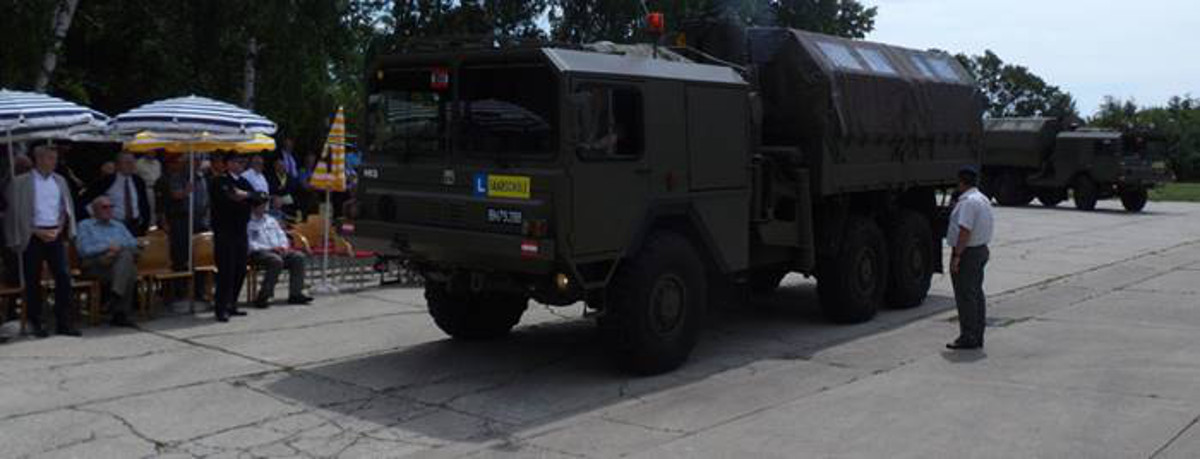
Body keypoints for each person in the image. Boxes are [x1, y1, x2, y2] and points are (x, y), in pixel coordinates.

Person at [3, 145, 80, 337]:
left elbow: (65, 208)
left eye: (55, 158)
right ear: (38, 160)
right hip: (32, 235)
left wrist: (60, 228)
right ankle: (36, 323)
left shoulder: (60, 180)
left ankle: (64, 322)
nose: (53, 162)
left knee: (63, 276)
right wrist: (35, 231)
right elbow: (15, 214)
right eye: (49, 158)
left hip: (54, 233)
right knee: (32, 279)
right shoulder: (20, 182)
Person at [946, 165, 994, 350]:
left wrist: (957, 256)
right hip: (980, 249)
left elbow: (965, 230)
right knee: (975, 294)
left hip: (968, 252)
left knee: (965, 295)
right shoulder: (982, 199)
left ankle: (968, 336)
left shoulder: (967, 202)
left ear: (961, 182)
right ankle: (977, 334)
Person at [211, 154, 263, 322]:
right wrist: (246, 196)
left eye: (242, 162)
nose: (241, 165)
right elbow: (230, 197)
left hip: (241, 231)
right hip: (225, 231)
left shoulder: (243, 182)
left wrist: (245, 195)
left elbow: (260, 197)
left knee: (240, 269)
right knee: (226, 270)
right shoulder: (220, 181)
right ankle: (221, 308)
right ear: (228, 164)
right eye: (237, 162)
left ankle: (232, 304)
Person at [76, 197, 139, 327]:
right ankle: (119, 313)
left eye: (111, 206)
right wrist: (107, 248)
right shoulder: (84, 225)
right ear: (94, 210)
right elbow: (84, 250)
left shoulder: (119, 225)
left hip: (116, 264)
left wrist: (117, 249)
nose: (109, 210)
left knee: (128, 263)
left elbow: (133, 242)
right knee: (129, 268)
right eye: (105, 207)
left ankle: (115, 296)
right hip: (95, 263)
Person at [247, 202, 312, 308]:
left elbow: (281, 235)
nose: (263, 208)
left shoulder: (271, 220)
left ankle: (296, 294)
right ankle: (264, 296)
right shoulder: (248, 222)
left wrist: (283, 246)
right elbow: (250, 243)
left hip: (278, 251)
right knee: (276, 261)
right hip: (258, 253)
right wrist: (269, 249)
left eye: (264, 205)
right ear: (253, 207)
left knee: (298, 257)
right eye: (260, 205)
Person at [156, 155, 209, 271]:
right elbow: (175, 194)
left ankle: (198, 285)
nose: (197, 163)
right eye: (195, 160)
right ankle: (180, 285)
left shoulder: (201, 177)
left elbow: (205, 198)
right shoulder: (178, 176)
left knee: (198, 255)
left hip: (199, 220)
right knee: (181, 255)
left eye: (199, 160)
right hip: (181, 220)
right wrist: (186, 191)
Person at [80, 152, 152, 236]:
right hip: (113, 224)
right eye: (127, 163)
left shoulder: (138, 181)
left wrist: (145, 224)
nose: (131, 165)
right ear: (117, 165)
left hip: (134, 225)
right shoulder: (106, 181)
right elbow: (86, 200)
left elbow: (144, 203)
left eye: (133, 162)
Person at [1, 154, 34, 287]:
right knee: (13, 267)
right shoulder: (8, 183)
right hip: (11, 232)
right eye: (24, 168)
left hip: (29, 231)